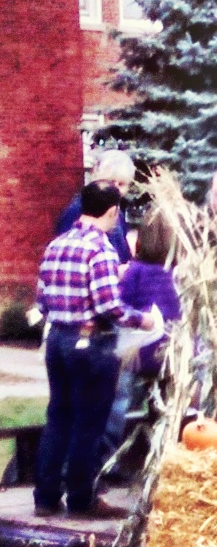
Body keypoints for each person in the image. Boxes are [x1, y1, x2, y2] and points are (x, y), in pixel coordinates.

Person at [34, 180, 154, 518]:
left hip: (58, 339)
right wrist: (142, 320)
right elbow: (109, 308)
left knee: (59, 415)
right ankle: (82, 498)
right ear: (113, 211)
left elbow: (42, 299)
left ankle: (45, 496)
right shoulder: (101, 249)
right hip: (92, 343)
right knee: (90, 421)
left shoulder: (56, 244)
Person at [101, 207, 182, 467]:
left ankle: (110, 460)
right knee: (169, 405)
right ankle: (166, 455)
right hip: (170, 353)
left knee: (118, 401)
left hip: (137, 353)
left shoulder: (135, 271)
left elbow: (121, 306)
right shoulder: (179, 273)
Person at [55, 149, 136, 264]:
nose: (116, 189)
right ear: (96, 176)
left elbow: (124, 256)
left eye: (121, 184)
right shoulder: (78, 209)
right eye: (111, 182)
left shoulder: (118, 214)